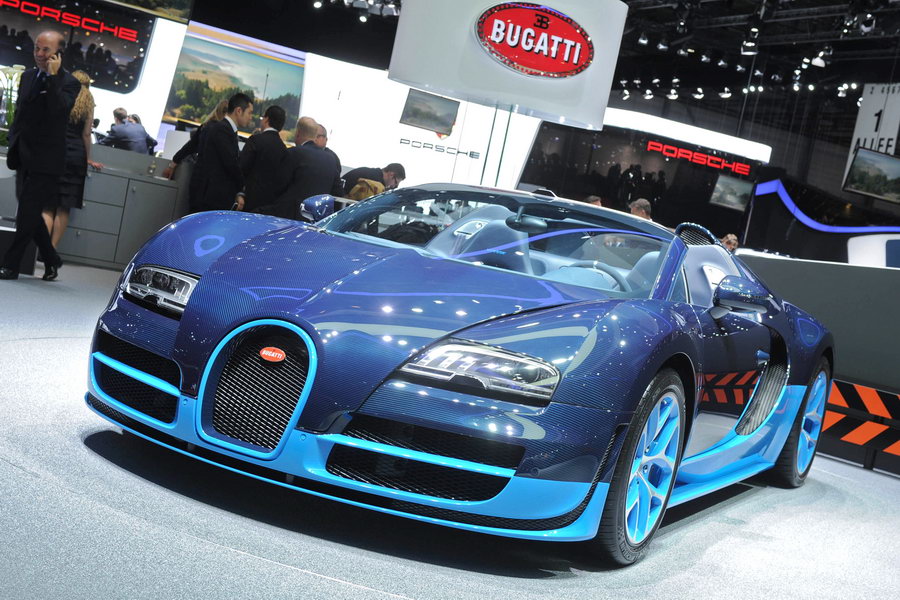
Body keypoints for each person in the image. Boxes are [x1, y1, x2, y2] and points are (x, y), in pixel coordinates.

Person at [1, 30, 80, 281]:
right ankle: (51, 258)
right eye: (37, 48)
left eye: (46, 50)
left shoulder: (69, 82)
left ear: (59, 54)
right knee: (31, 212)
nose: (39, 54)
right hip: (23, 155)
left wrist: (53, 77)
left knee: (26, 212)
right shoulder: (27, 76)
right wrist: (13, 139)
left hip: (47, 160)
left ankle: (10, 265)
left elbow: (59, 110)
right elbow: (21, 113)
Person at [41, 69, 103, 249]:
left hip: (55, 152)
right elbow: (86, 134)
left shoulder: (62, 95)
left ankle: (41, 250)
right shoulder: (89, 101)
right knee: (64, 207)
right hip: (75, 156)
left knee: (47, 205)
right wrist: (87, 158)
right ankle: (52, 249)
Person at [261, 116, 342, 219]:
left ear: (297, 133)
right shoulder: (330, 159)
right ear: (315, 135)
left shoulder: (293, 153)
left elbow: (277, 186)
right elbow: (338, 192)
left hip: (287, 217)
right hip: (316, 220)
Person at [188, 93, 254, 213]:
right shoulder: (222, 129)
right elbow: (231, 163)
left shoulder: (227, 130)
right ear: (239, 111)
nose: (251, 117)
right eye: (249, 113)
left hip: (214, 197)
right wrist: (242, 187)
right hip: (210, 199)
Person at [161, 99, 228, 179]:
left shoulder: (205, 126)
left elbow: (188, 147)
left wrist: (171, 165)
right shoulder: (222, 131)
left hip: (199, 176)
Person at [239, 105, 288, 213]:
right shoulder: (283, 149)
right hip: (270, 206)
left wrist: (239, 193)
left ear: (266, 119)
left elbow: (241, 168)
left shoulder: (255, 140)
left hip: (248, 201)